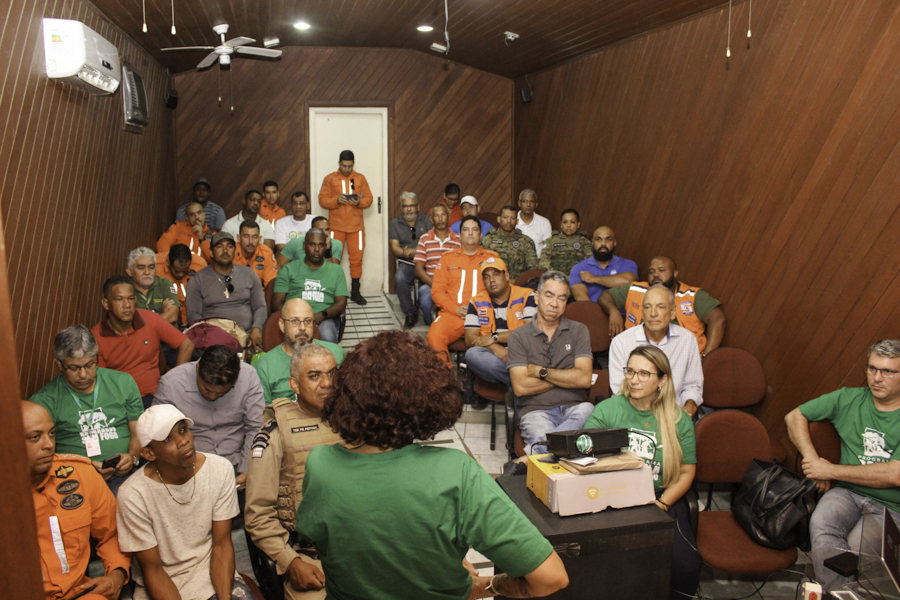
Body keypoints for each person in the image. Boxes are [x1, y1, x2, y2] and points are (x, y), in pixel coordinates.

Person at [295, 330, 570, 600]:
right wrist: (486, 585)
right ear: (427, 400)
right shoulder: (456, 473)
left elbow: (343, 540)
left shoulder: (320, 464)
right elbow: (551, 578)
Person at [584, 345, 700, 600]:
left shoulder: (679, 419)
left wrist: (662, 504)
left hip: (661, 498)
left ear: (662, 380)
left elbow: (686, 472)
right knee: (614, 564)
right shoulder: (607, 410)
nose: (634, 380)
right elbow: (587, 460)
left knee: (685, 567)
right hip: (613, 497)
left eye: (644, 374)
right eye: (630, 371)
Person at [785, 339, 900, 592]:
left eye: (888, 371)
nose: (877, 378)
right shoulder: (849, 398)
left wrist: (830, 470)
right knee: (821, 524)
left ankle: (825, 592)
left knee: (855, 552)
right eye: (872, 368)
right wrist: (813, 460)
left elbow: (895, 474)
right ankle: (837, 595)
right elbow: (794, 416)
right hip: (847, 492)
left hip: (891, 506)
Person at [117, 404, 254, 600]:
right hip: (164, 583)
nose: (183, 441)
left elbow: (222, 545)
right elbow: (153, 570)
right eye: (167, 439)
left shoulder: (219, 470)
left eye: (183, 429)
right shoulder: (133, 494)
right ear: (149, 453)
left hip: (211, 572)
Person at [245, 344, 342, 600]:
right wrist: (290, 561)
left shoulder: (355, 423)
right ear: (294, 384)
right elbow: (258, 515)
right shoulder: (277, 434)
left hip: (359, 547)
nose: (327, 383)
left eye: (332, 373)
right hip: (309, 556)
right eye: (314, 376)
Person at [24, 402, 132, 600]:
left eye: (51, 433)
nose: (49, 444)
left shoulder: (80, 473)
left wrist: (116, 575)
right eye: (35, 437)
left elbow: (112, 534)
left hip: (79, 593)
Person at [30, 325, 143, 494]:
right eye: (74, 368)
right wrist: (82, 468)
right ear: (59, 364)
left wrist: (132, 457)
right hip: (73, 478)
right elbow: (37, 455)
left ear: (96, 357)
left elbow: (138, 432)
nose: (83, 374)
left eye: (89, 365)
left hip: (125, 474)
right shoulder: (44, 402)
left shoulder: (123, 382)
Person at [152, 345, 264, 493]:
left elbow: (255, 427)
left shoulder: (248, 377)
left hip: (237, 464)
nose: (212, 397)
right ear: (197, 369)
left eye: (221, 393)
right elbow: (157, 435)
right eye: (206, 389)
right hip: (188, 468)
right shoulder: (171, 384)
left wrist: (247, 468)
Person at [508, 271, 594, 454]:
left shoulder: (579, 331)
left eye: (561, 298)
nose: (554, 303)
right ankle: (550, 450)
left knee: (589, 409)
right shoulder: (518, 336)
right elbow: (521, 387)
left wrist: (542, 372)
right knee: (568, 449)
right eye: (549, 295)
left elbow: (584, 379)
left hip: (575, 408)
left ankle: (536, 455)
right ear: (537, 297)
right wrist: (567, 375)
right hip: (536, 412)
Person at [92, 276, 194, 406]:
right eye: (119, 299)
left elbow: (187, 345)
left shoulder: (150, 319)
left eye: (130, 298)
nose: (127, 305)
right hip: (120, 402)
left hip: (155, 397)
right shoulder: (96, 337)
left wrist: (175, 381)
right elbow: (100, 383)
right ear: (106, 304)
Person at [599, 256, 726, 356]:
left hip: (685, 357)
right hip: (639, 355)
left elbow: (718, 319)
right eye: (651, 272)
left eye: (662, 270)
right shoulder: (635, 289)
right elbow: (605, 296)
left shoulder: (692, 295)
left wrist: (707, 359)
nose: (656, 275)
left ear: (675, 273)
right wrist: (613, 311)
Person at [608, 285, 704, 417]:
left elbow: (693, 385)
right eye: (648, 307)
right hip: (634, 415)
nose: (653, 314)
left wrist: (690, 405)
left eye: (661, 307)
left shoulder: (687, 339)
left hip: (674, 414)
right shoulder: (621, 342)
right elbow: (620, 391)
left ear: (673, 312)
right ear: (642, 312)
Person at [426, 216, 499, 368]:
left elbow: (501, 290)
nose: (470, 233)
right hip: (454, 313)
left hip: (484, 315)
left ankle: (486, 377)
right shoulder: (447, 259)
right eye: (466, 229)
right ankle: (445, 377)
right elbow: (437, 292)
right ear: (459, 235)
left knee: (498, 341)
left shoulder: (492, 259)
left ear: (481, 235)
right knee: (433, 337)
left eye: (475, 229)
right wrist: (455, 309)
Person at [464, 256, 536, 394]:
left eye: (496, 274)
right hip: (493, 357)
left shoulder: (527, 296)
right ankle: (520, 379)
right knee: (472, 354)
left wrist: (494, 337)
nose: (491, 280)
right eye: (486, 277)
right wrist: (495, 347)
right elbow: (469, 339)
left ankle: (516, 382)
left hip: (523, 353)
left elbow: (529, 333)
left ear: (506, 276)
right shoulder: (477, 301)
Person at [186, 232, 267, 352]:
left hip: (247, 338)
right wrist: (211, 337)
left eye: (229, 246)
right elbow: (194, 316)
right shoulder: (198, 280)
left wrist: (257, 327)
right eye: (219, 246)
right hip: (212, 342)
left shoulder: (249, 274)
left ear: (235, 251)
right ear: (211, 252)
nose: (225, 250)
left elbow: (260, 307)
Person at [255, 298, 346, 405]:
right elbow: (263, 412)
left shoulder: (337, 354)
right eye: (294, 321)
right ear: (282, 325)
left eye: (307, 321)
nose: (302, 328)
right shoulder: (264, 366)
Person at [272, 229, 348, 344]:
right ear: (304, 246)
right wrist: (294, 319)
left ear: (325, 247)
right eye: (312, 244)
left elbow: (341, 303)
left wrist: (322, 315)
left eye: (320, 245)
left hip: (324, 318)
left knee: (326, 334)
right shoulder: (288, 269)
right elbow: (276, 302)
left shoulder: (336, 270)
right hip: (293, 317)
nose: (316, 249)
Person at [318, 150, 373, 305]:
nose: (347, 169)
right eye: (344, 166)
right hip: (336, 227)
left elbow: (369, 199)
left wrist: (359, 202)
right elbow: (322, 200)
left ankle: (355, 292)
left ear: (353, 164)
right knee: (331, 259)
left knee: (357, 260)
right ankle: (330, 292)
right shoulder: (329, 178)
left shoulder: (360, 178)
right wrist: (336, 200)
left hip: (356, 228)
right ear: (339, 163)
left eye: (350, 166)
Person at [389, 191, 432, 329]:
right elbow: (395, 248)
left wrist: (414, 251)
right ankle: (410, 313)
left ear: (418, 207)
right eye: (405, 206)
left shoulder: (428, 220)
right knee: (399, 278)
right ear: (401, 208)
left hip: (428, 261)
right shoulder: (394, 224)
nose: (408, 209)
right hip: (408, 262)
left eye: (412, 205)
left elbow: (432, 243)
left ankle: (429, 310)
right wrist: (403, 252)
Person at [414, 204, 460, 326]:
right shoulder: (424, 239)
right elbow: (418, 269)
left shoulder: (458, 240)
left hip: (454, 284)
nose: (440, 219)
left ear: (448, 216)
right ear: (431, 219)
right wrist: (435, 284)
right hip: (431, 283)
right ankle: (434, 326)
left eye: (443, 215)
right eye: (436, 216)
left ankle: (449, 326)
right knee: (425, 303)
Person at [569, 226, 638, 302]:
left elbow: (629, 281)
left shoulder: (627, 264)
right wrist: (593, 310)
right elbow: (580, 296)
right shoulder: (579, 268)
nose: (603, 244)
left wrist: (594, 278)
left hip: (619, 310)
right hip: (590, 308)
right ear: (593, 242)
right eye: (598, 239)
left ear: (614, 242)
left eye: (608, 239)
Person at [480, 205, 539, 280]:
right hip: (493, 283)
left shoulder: (526, 242)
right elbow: (481, 267)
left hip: (519, 284)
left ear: (517, 221)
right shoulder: (487, 241)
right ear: (498, 219)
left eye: (512, 218)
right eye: (505, 217)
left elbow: (532, 271)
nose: (509, 221)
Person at [126, 246, 180, 326]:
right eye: (141, 268)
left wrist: (142, 324)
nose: (147, 272)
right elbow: (126, 322)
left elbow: (172, 316)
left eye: (151, 267)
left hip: (165, 334)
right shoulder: (125, 289)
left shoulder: (164, 283)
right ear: (129, 271)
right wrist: (162, 315)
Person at [156, 244, 206, 328]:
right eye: (176, 271)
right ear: (168, 263)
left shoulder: (200, 266)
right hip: (165, 318)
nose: (180, 275)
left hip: (193, 320)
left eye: (185, 271)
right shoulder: (154, 266)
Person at [538, 208, 592, 274]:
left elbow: (589, 264)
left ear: (578, 224)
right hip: (554, 277)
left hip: (577, 278)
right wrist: (557, 275)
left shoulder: (584, 242)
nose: (568, 225)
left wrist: (574, 276)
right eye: (565, 222)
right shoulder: (551, 241)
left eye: (572, 222)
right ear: (561, 224)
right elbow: (543, 262)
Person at [276, 216, 343, 268]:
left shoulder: (337, 244)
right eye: (320, 230)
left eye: (327, 229)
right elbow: (279, 266)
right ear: (311, 230)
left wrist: (327, 249)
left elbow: (332, 272)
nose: (325, 233)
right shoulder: (295, 243)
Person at [233, 219, 278, 287]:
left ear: (259, 239)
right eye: (246, 236)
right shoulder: (231, 252)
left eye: (254, 237)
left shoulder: (266, 253)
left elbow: (270, 284)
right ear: (238, 238)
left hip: (258, 292)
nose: (251, 242)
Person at [516, 189, 553, 258]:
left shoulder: (544, 223)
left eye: (532, 201)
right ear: (519, 203)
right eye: (525, 201)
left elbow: (547, 249)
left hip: (537, 263)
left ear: (536, 204)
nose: (528, 205)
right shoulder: (512, 221)